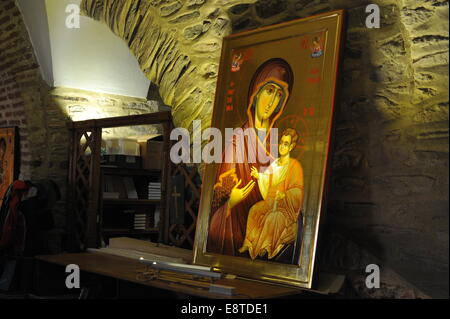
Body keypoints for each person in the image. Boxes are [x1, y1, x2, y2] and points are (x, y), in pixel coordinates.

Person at [207, 59, 294, 256]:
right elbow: (218, 198)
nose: (272, 101)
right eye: (269, 91)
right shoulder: (238, 139)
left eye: (279, 95)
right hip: (237, 226)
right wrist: (231, 202)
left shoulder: (278, 143)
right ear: (256, 93)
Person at [239, 128, 304, 260]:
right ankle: (250, 244)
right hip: (270, 202)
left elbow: (298, 191)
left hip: (285, 208)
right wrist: (259, 176)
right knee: (254, 210)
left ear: (291, 146)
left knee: (273, 218)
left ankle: (266, 247)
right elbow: (267, 179)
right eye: (281, 143)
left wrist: (285, 195)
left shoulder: (294, 165)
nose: (282, 146)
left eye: (286, 144)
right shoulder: (275, 163)